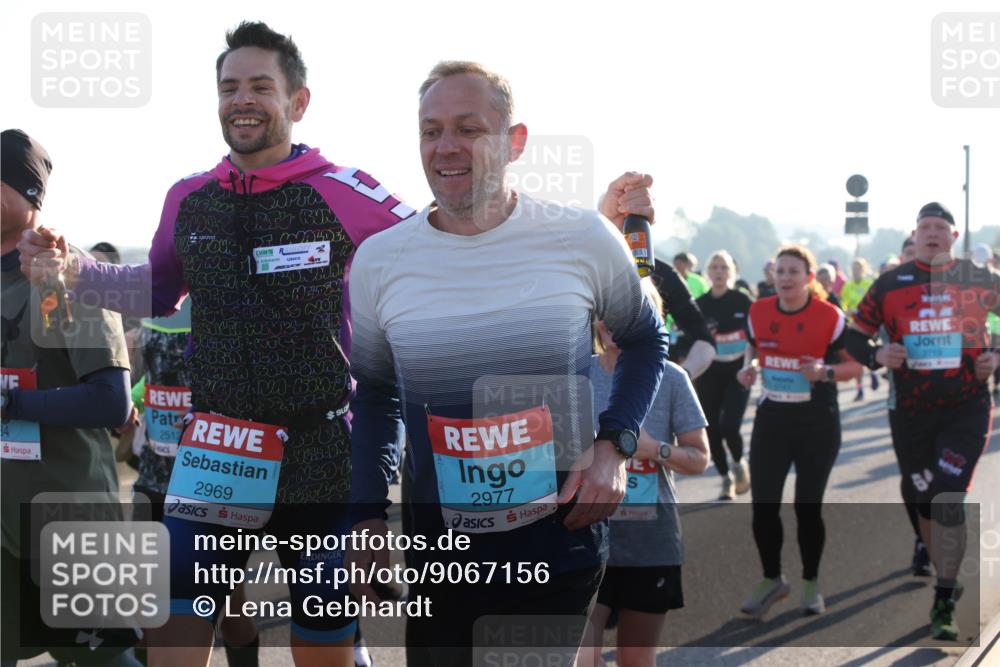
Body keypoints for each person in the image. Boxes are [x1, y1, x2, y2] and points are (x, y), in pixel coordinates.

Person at [18, 22, 414, 667]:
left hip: (318, 453)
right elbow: (156, 291)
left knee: (323, 647)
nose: (242, 100)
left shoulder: (346, 191)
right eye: (230, 88)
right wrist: (72, 271)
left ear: (299, 101)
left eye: (261, 85)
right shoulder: (190, 196)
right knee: (168, 634)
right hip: (218, 451)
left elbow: (437, 251)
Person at [346, 61, 669, 666]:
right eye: (430, 130)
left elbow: (647, 340)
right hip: (440, 546)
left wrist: (614, 447)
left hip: (556, 540)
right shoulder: (380, 261)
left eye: (468, 128)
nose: (446, 147)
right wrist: (365, 514)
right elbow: (377, 395)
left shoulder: (580, 236)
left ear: (514, 142)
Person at [1, 129, 138, 666]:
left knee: (102, 661)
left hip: (70, 512)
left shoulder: (62, 273)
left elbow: (110, 401)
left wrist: (10, 405)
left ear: (29, 196)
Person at [846, 202, 1000, 640]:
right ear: (914, 236)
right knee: (921, 499)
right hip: (910, 412)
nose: (932, 234)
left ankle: (945, 595)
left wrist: (996, 356)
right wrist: (876, 354)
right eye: (925, 227)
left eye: (940, 227)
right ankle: (944, 573)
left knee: (943, 496)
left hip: (965, 406)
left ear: (953, 237)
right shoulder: (891, 283)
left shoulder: (979, 279)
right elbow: (856, 336)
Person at [580, 281, 709, 667]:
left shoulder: (671, 378)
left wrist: (656, 450)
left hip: (649, 544)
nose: (612, 321)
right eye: (607, 311)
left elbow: (699, 458)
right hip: (583, 539)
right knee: (579, 658)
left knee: (634, 661)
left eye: (627, 310)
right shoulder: (577, 373)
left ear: (651, 320)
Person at [736, 245, 861, 618]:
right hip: (772, 419)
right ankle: (772, 578)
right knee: (763, 506)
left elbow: (855, 367)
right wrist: (750, 368)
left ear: (809, 278)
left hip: (817, 421)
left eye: (794, 272)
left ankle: (811, 582)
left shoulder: (830, 317)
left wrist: (824, 372)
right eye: (781, 271)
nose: (786, 278)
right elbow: (754, 350)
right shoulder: (758, 311)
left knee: (807, 507)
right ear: (773, 276)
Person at [882, 237, 932, 579]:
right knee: (911, 478)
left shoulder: (949, 293)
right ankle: (922, 538)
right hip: (901, 401)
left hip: (950, 403)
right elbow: (868, 337)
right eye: (910, 256)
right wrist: (879, 352)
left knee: (941, 476)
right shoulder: (889, 297)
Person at [694, 250, 753, 500]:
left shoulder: (743, 302)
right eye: (715, 267)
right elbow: (690, 339)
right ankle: (725, 478)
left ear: (732, 272)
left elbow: (755, 339)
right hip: (709, 372)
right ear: (708, 272)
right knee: (711, 429)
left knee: (730, 425)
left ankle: (739, 463)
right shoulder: (700, 305)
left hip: (737, 372)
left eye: (724, 268)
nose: (719, 272)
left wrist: (751, 366)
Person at [662, 252, 714, 374]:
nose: (677, 266)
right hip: (671, 329)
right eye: (675, 263)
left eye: (680, 263)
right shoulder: (669, 280)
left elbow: (707, 300)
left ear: (686, 265)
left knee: (686, 359)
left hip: (690, 326)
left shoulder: (698, 281)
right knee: (671, 359)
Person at [840, 258, 878, 401]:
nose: (856, 271)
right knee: (856, 359)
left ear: (864, 270)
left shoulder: (869, 284)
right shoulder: (847, 286)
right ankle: (860, 389)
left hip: (869, 325)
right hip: (853, 326)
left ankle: (873, 373)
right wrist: (846, 311)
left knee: (868, 353)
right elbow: (842, 305)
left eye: (859, 269)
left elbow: (875, 303)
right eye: (854, 269)